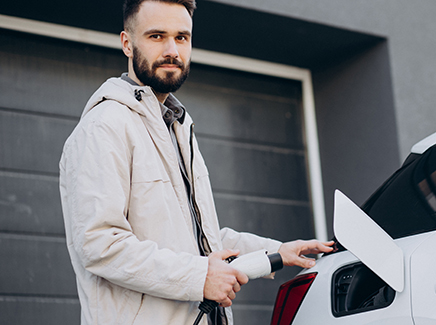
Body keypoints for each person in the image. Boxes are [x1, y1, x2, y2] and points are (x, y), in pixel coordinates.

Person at [58, 0, 334, 324]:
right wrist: (199, 276)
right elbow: (99, 243)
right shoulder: (104, 127)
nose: (172, 50)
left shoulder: (177, 127)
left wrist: (278, 252)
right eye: (157, 36)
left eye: (182, 37)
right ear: (127, 43)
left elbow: (204, 242)